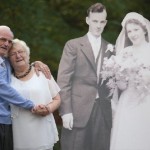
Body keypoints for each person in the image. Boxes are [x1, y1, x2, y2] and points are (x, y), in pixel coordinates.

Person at [57, 3, 113, 150]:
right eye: (95, 21)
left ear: (105, 22)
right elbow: (63, 80)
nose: (98, 25)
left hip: (103, 113)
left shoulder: (110, 49)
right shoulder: (73, 45)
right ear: (87, 20)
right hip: (77, 111)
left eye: (102, 22)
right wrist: (66, 111)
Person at [0, 25, 51, 150]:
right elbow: (3, 88)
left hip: (9, 122)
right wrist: (30, 105)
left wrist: (35, 64)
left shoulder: (5, 62)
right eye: (2, 39)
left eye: (9, 41)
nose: (6, 43)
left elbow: (20, 64)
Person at [8, 38, 61, 150]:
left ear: (28, 54)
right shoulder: (6, 80)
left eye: (21, 52)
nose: (18, 56)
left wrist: (47, 109)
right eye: (13, 54)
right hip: (18, 134)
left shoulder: (42, 73)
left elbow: (57, 99)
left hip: (42, 131)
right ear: (9, 59)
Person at [110, 12, 150, 150]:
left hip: (146, 101)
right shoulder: (125, 53)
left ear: (144, 30)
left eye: (136, 30)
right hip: (127, 102)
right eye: (129, 31)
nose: (133, 34)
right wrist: (120, 78)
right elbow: (120, 86)